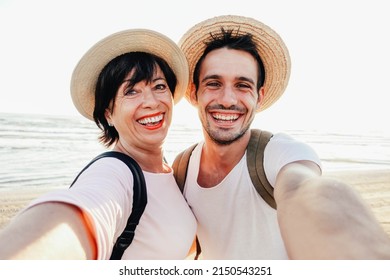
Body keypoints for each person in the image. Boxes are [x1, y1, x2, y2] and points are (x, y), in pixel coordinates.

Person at [176, 15, 390, 259]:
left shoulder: (279, 154)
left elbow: (305, 190)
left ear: (260, 96)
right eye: (213, 83)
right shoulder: (183, 167)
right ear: (195, 92)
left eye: (243, 85)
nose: (227, 100)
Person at [0, 29, 196, 259]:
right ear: (108, 115)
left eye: (159, 86)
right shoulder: (115, 172)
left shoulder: (172, 170)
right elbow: (83, 212)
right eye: (131, 91)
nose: (151, 102)